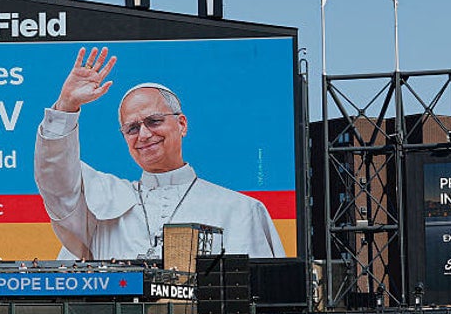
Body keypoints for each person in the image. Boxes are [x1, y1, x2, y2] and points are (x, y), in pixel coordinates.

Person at [33, 47, 284, 259]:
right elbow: (57, 182)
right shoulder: (100, 207)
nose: (143, 135)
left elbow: (257, 299)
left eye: (154, 121)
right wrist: (66, 107)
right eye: (132, 128)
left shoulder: (239, 210)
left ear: (182, 124)